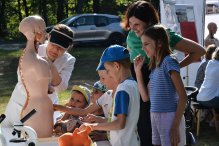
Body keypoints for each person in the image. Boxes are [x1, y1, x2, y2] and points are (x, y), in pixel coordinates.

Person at [121, 1, 205, 145]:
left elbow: (199, 51)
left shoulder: (161, 37)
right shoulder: (132, 37)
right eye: (130, 24)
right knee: (145, 133)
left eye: (137, 25)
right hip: (143, 94)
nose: (133, 29)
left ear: (148, 22)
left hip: (164, 104)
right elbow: (145, 95)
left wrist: (173, 68)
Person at [1, 15, 53, 145]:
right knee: (33, 140)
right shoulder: (31, 58)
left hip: (41, 107)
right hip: (35, 108)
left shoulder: (39, 59)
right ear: (32, 32)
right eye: (42, 28)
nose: (45, 33)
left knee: (38, 141)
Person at [134, 24, 187, 146]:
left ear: (159, 43)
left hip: (170, 117)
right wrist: (138, 71)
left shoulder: (169, 61)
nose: (143, 48)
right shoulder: (155, 67)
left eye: (146, 44)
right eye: (142, 44)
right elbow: (145, 97)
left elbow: (183, 96)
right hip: (155, 116)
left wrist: (175, 126)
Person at [80, 45, 140, 146]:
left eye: (108, 70)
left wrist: (92, 126)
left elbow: (120, 124)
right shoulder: (133, 84)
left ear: (116, 66)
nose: (109, 74)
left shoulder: (122, 89)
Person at [38, 24, 76, 121]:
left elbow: (61, 87)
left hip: (50, 102)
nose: (55, 50)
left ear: (67, 48)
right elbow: (22, 76)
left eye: (61, 48)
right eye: (53, 45)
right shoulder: (36, 50)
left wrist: (50, 64)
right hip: (27, 100)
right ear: (49, 37)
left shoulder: (69, 60)